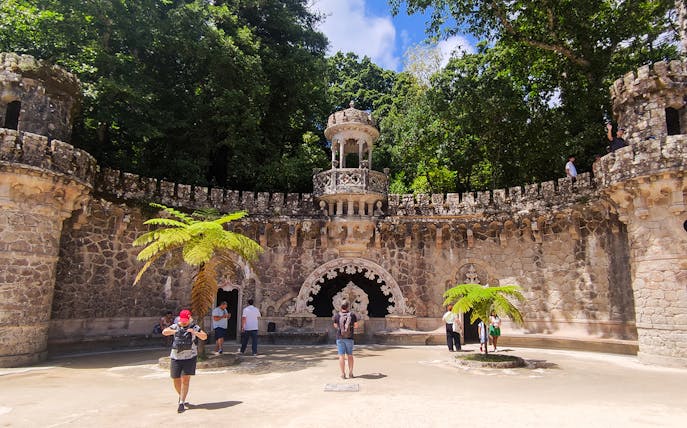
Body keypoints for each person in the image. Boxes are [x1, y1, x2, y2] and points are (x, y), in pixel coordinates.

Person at [162, 309, 207, 413]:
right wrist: (175, 331)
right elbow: (164, 332)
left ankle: (181, 402)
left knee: (185, 380)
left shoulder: (194, 326)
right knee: (175, 379)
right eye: (182, 320)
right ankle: (181, 396)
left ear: (189, 318)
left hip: (190, 357)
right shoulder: (176, 326)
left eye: (185, 320)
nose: (184, 322)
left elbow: (204, 337)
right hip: (176, 357)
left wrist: (194, 332)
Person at [333, 301, 358, 379]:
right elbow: (356, 326)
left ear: (341, 307)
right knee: (350, 355)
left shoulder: (337, 315)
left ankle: (343, 374)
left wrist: (340, 328)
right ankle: (350, 373)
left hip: (340, 338)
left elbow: (335, 325)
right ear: (348, 307)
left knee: (341, 356)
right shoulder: (352, 315)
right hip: (349, 338)